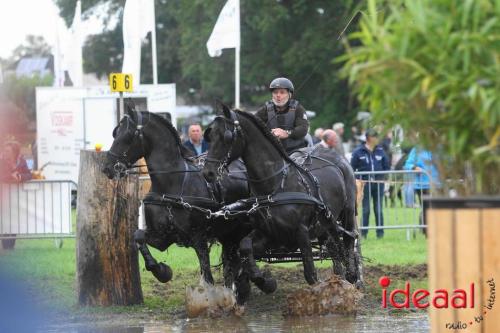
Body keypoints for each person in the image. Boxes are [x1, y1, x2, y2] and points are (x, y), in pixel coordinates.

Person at [350, 129, 390, 239]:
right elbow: (351, 168)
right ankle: (364, 233)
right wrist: (357, 181)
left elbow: (386, 166)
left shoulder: (381, 150)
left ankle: (380, 234)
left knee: (378, 209)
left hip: (378, 184)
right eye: (374, 136)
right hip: (364, 185)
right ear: (368, 138)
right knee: (366, 209)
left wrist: (384, 177)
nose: (377, 138)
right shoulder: (358, 151)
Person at [255, 77, 310, 154]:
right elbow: (253, 124)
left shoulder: (298, 108)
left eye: (282, 92)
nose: (278, 95)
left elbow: (303, 129)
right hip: (272, 152)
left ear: (289, 94)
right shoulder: (265, 109)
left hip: (296, 151)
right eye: (275, 92)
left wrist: (287, 133)